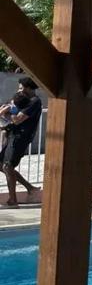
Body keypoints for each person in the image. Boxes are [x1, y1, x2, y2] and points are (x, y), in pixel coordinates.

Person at [1, 77, 42, 208]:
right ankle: (30, 188)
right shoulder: (21, 99)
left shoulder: (35, 102)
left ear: (29, 88)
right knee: (3, 165)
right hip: (13, 134)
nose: (19, 90)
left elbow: (18, 119)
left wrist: (8, 112)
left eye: (21, 88)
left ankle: (13, 201)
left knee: (7, 166)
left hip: (21, 138)